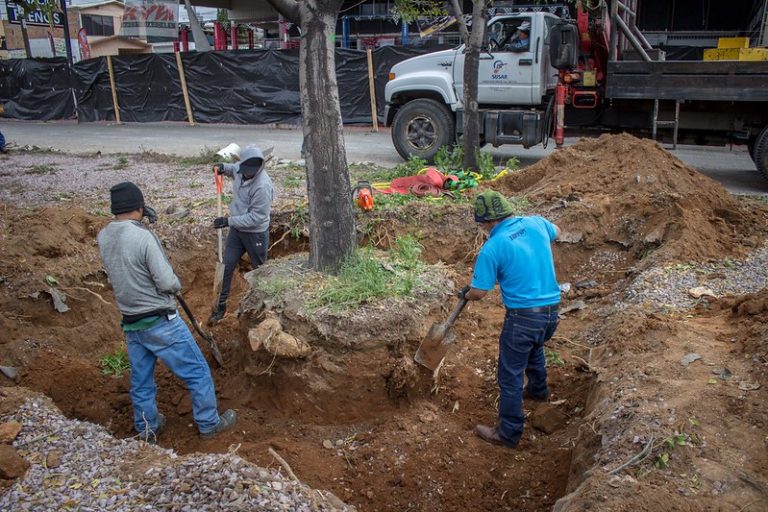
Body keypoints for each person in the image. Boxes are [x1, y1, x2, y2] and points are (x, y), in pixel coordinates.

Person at [98, 182, 237, 442]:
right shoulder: (142, 237)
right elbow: (165, 281)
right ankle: (208, 424)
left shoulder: (104, 236)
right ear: (139, 207)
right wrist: (175, 284)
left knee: (141, 382)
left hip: (131, 324)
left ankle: (147, 429)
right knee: (197, 371)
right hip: (160, 321)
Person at [460, 190, 560, 448]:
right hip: (551, 312)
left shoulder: (492, 248)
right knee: (534, 346)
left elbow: (480, 292)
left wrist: (467, 293)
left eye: (481, 224)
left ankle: (508, 433)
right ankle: (538, 391)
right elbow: (556, 231)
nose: (482, 229)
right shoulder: (537, 223)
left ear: (487, 222)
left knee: (510, 374)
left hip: (523, 317)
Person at [208, 146, 274, 324]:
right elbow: (233, 169)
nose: (248, 175)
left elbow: (256, 217)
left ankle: (267, 307)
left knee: (260, 270)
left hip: (255, 234)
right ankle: (220, 307)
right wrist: (222, 167)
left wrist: (228, 221)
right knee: (226, 266)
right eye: (245, 172)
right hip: (237, 232)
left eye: (252, 173)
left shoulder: (262, 186)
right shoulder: (241, 168)